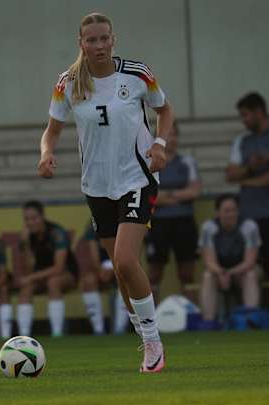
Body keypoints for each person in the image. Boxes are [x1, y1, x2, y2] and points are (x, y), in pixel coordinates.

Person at [37, 12, 173, 372]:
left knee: (126, 261)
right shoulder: (67, 83)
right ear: (81, 43)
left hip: (137, 179)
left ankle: (153, 342)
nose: (98, 45)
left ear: (114, 40)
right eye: (91, 40)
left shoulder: (137, 74)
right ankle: (144, 338)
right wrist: (46, 153)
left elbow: (165, 110)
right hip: (97, 186)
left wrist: (159, 145)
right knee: (120, 271)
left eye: (103, 38)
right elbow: (52, 130)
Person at [225, 92, 269, 308]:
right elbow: (231, 174)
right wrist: (251, 167)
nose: (243, 120)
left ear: (259, 112)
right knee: (252, 265)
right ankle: (254, 311)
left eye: (246, 115)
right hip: (249, 213)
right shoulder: (242, 141)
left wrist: (249, 181)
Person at [145, 122, 201, 303]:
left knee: (187, 274)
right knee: (154, 273)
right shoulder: (149, 162)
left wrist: (165, 195)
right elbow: (148, 197)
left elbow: (194, 192)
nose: (172, 139)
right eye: (168, 135)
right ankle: (151, 316)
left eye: (175, 134)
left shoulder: (187, 162)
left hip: (184, 221)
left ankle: (190, 314)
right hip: (157, 223)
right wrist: (179, 195)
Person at [197, 194, 261, 329]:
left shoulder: (249, 227)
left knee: (250, 275)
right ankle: (209, 321)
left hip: (242, 271)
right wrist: (221, 272)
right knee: (207, 275)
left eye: (233, 210)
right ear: (217, 212)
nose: (230, 214)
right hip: (219, 272)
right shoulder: (208, 228)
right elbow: (209, 261)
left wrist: (229, 273)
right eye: (226, 211)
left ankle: (251, 319)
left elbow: (250, 261)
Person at [16, 200, 79, 337]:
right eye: (27, 219)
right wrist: (25, 244)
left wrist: (30, 278)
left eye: (34, 218)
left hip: (66, 274)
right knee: (26, 288)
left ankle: (57, 333)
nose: (30, 222)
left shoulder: (56, 233)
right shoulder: (27, 237)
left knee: (53, 282)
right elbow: (28, 269)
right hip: (40, 276)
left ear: (42, 216)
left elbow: (59, 268)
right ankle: (23, 337)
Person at [81, 221, 131, 334]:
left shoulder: (128, 222)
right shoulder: (93, 225)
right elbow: (94, 256)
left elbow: (131, 255)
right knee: (88, 281)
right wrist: (100, 270)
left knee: (125, 279)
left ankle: (120, 328)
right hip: (102, 268)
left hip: (122, 265)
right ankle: (98, 330)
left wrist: (114, 269)